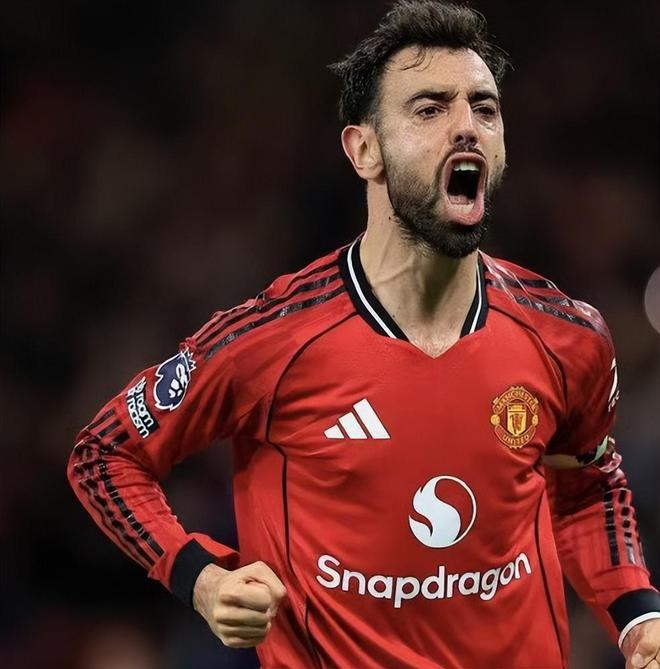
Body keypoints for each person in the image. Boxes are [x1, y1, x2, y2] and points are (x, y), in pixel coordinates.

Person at [67, 1, 660, 667]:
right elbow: (103, 454)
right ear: (364, 150)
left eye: (485, 109)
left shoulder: (567, 335)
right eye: (430, 109)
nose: (466, 126)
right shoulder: (271, 341)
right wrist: (200, 578)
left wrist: (639, 615)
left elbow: (586, 485)